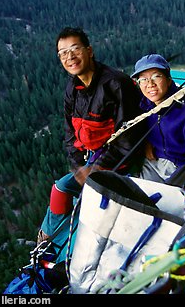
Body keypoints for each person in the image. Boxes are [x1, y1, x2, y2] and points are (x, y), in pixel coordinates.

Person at [38, 27, 144, 245]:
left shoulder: (116, 84)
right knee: (60, 189)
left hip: (120, 161)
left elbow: (129, 137)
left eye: (75, 49)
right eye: (63, 53)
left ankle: (59, 244)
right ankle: (48, 239)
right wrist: (78, 166)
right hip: (94, 158)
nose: (70, 57)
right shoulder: (73, 89)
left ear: (89, 51)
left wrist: (95, 170)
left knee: (89, 204)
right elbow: (70, 131)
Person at [130, 54, 185, 183]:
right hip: (155, 163)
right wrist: (147, 143)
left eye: (156, 77)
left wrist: (177, 181)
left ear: (169, 80)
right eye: (143, 79)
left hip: (182, 166)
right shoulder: (145, 106)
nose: (150, 84)